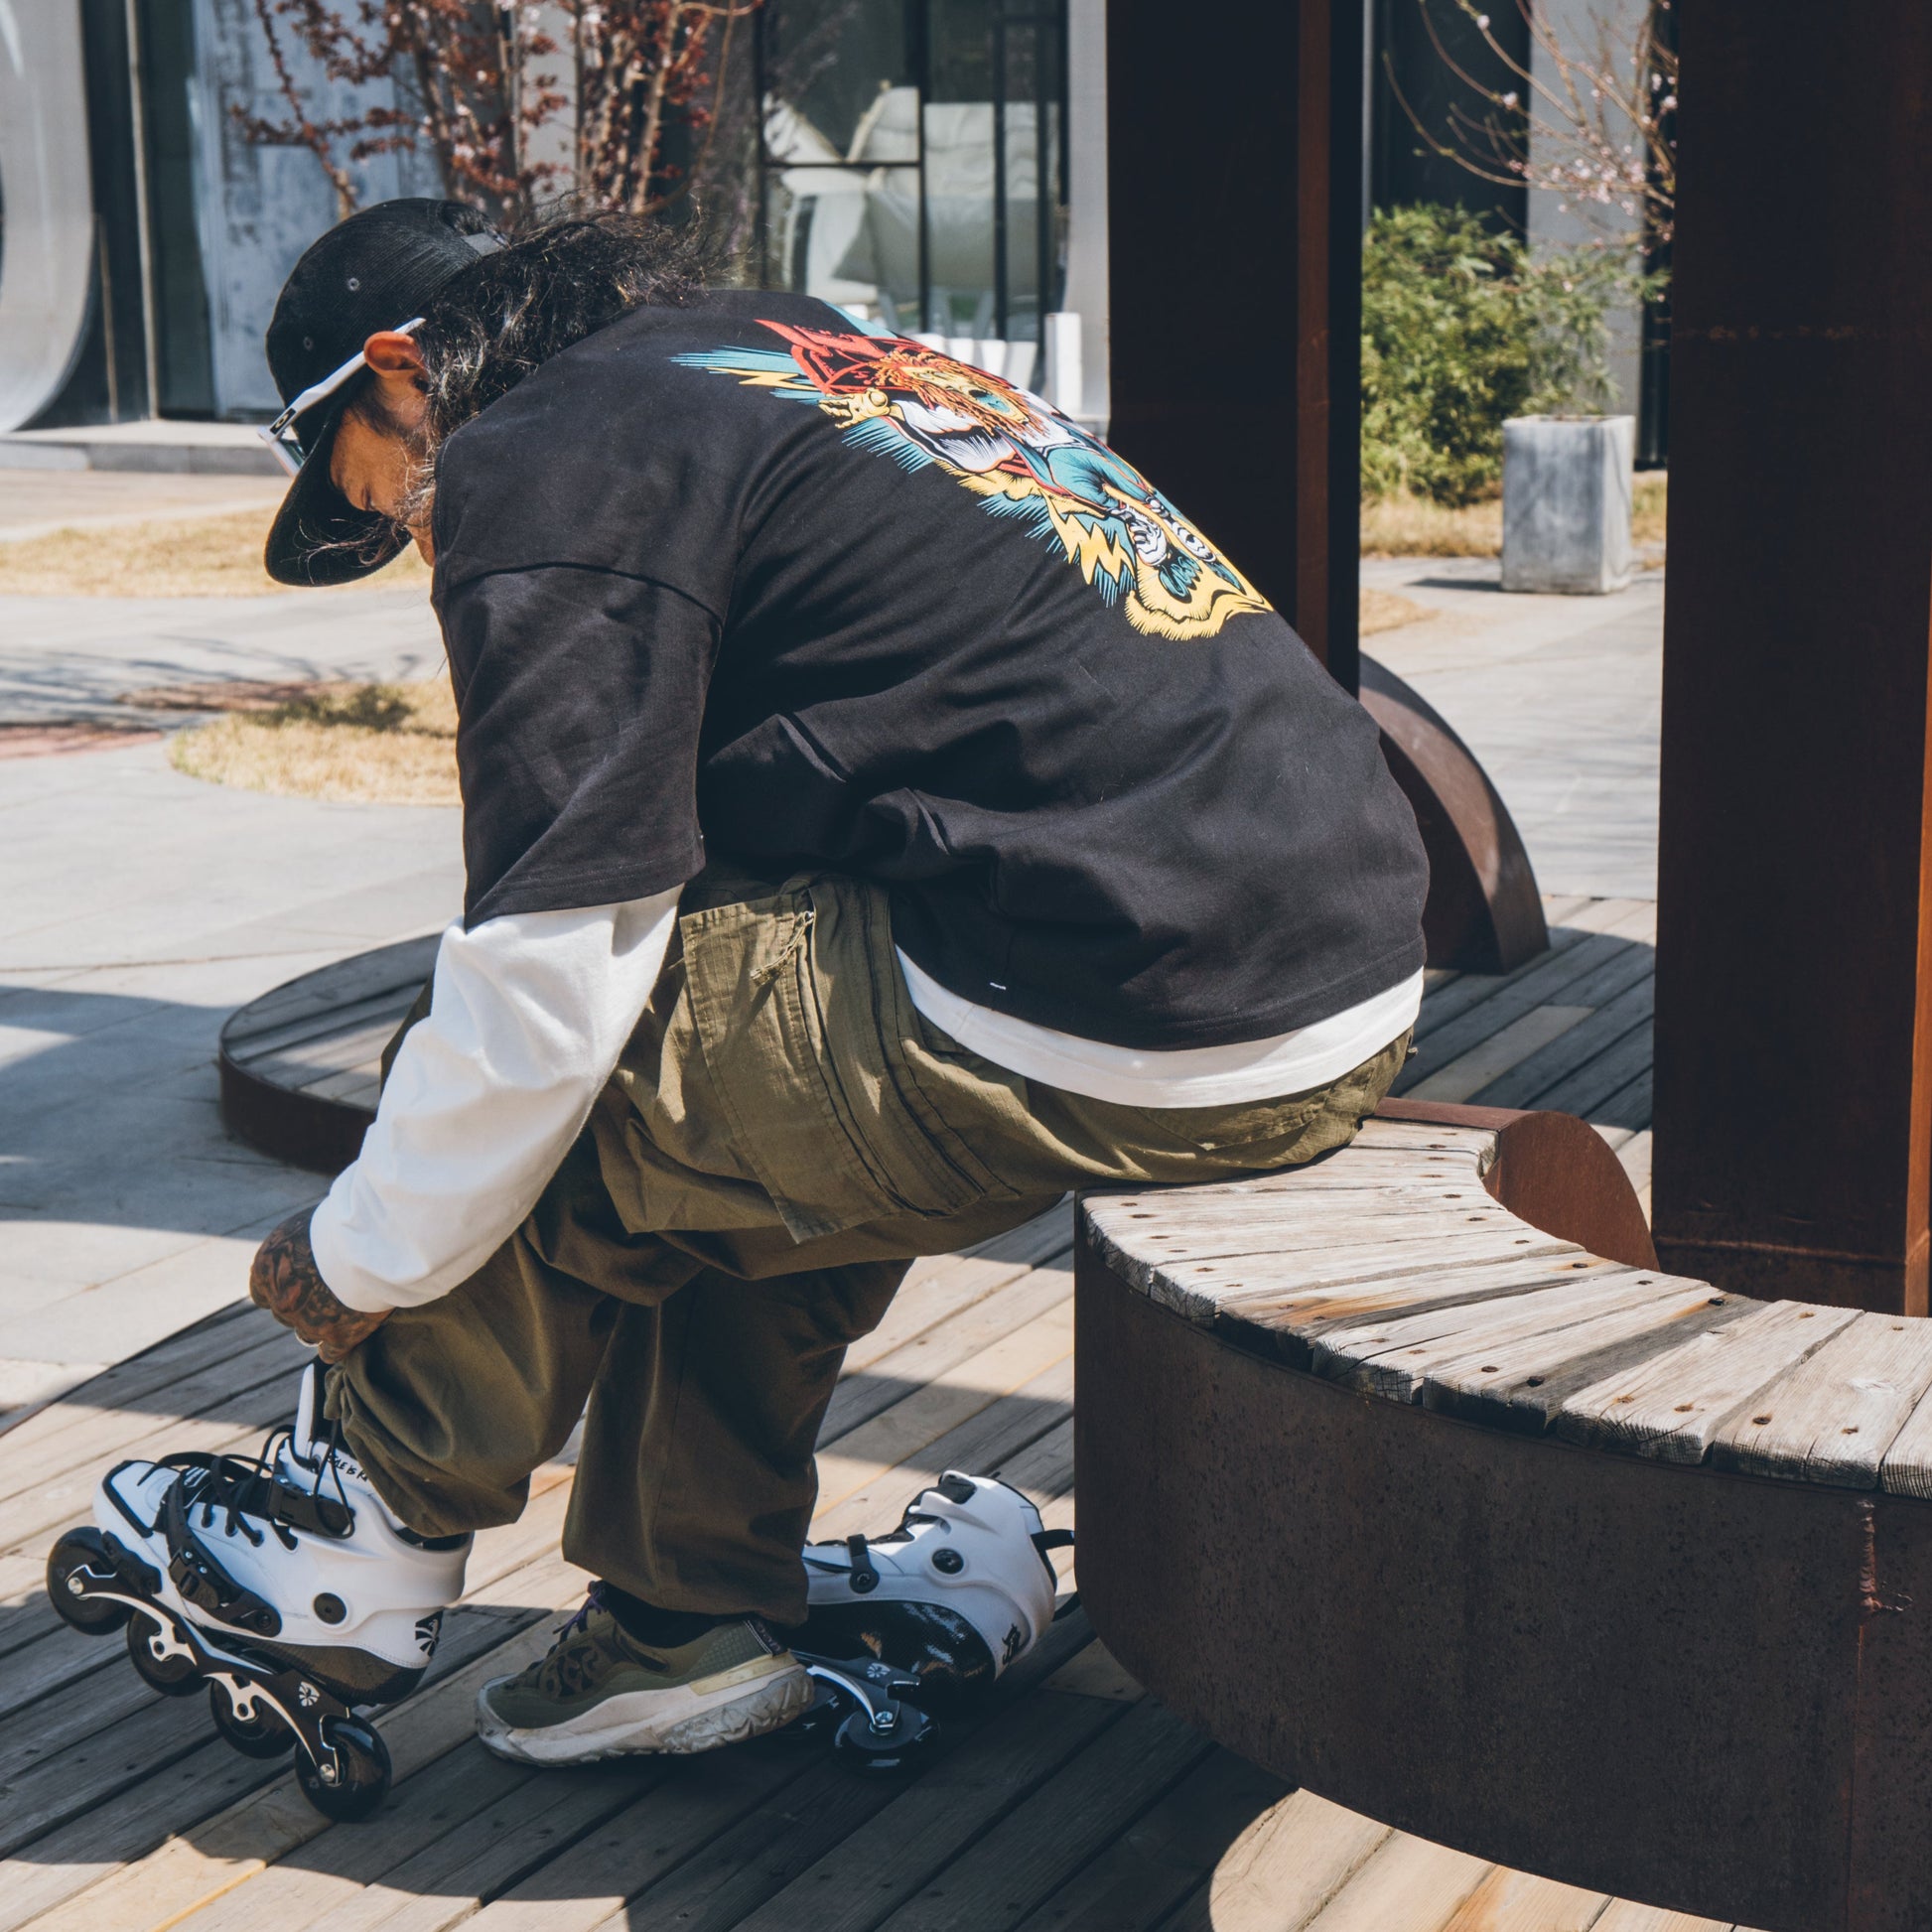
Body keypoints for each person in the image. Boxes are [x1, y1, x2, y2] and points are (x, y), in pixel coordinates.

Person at [118, 198, 1429, 1765]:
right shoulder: (772, 351)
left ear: (404, 370)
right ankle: (678, 1615)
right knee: (742, 1094)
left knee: (538, 1071)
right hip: (1321, 969)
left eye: (386, 495)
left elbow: (546, 991)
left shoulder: (541, 453)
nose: (417, 540)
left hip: (1124, 988)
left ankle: (359, 1539)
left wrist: (354, 1258)